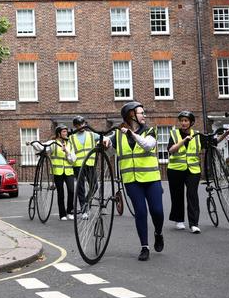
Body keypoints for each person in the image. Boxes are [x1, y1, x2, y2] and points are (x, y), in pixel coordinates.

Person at [108, 102, 164, 261]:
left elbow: (147, 146)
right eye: (141, 113)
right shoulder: (118, 135)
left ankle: (158, 233)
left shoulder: (150, 131)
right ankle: (144, 247)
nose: (144, 115)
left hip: (151, 179)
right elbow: (109, 149)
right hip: (131, 181)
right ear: (132, 115)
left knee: (157, 212)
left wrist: (132, 135)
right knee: (140, 212)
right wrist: (105, 143)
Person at [167, 111, 203, 233]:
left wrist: (224, 134)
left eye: (186, 120)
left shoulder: (197, 134)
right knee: (177, 195)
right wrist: (184, 140)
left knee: (192, 195)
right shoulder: (174, 133)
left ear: (191, 122)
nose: (183, 123)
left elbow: (211, 143)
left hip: (193, 170)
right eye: (181, 120)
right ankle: (179, 220)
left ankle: (194, 224)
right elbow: (171, 150)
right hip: (175, 169)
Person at [70, 116, 98, 218]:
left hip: (90, 164)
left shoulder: (92, 135)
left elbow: (104, 138)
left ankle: (86, 203)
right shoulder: (71, 138)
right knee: (80, 188)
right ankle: (83, 210)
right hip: (78, 165)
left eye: (82, 124)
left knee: (94, 186)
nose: (81, 126)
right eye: (78, 125)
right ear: (75, 126)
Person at [51, 124, 76, 220]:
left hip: (69, 171)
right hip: (58, 171)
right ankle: (62, 214)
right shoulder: (53, 143)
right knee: (60, 193)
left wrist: (67, 152)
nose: (66, 133)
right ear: (59, 133)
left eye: (66, 131)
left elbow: (73, 159)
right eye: (64, 131)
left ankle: (70, 211)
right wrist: (33, 144)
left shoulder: (69, 144)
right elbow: (44, 147)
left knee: (71, 191)